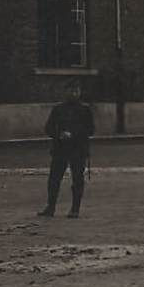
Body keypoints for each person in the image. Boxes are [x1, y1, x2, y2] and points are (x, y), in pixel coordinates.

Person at [38, 80, 95, 218]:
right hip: (60, 149)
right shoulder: (58, 109)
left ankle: (75, 209)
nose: (74, 93)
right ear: (65, 92)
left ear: (80, 92)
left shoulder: (85, 109)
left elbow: (91, 130)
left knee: (77, 180)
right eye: (71, 90)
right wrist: (59, 134)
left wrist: (74, 134)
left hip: (78, 149)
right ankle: (50, 207)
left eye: (76, 90)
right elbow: (48, 128)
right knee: (54, 179)